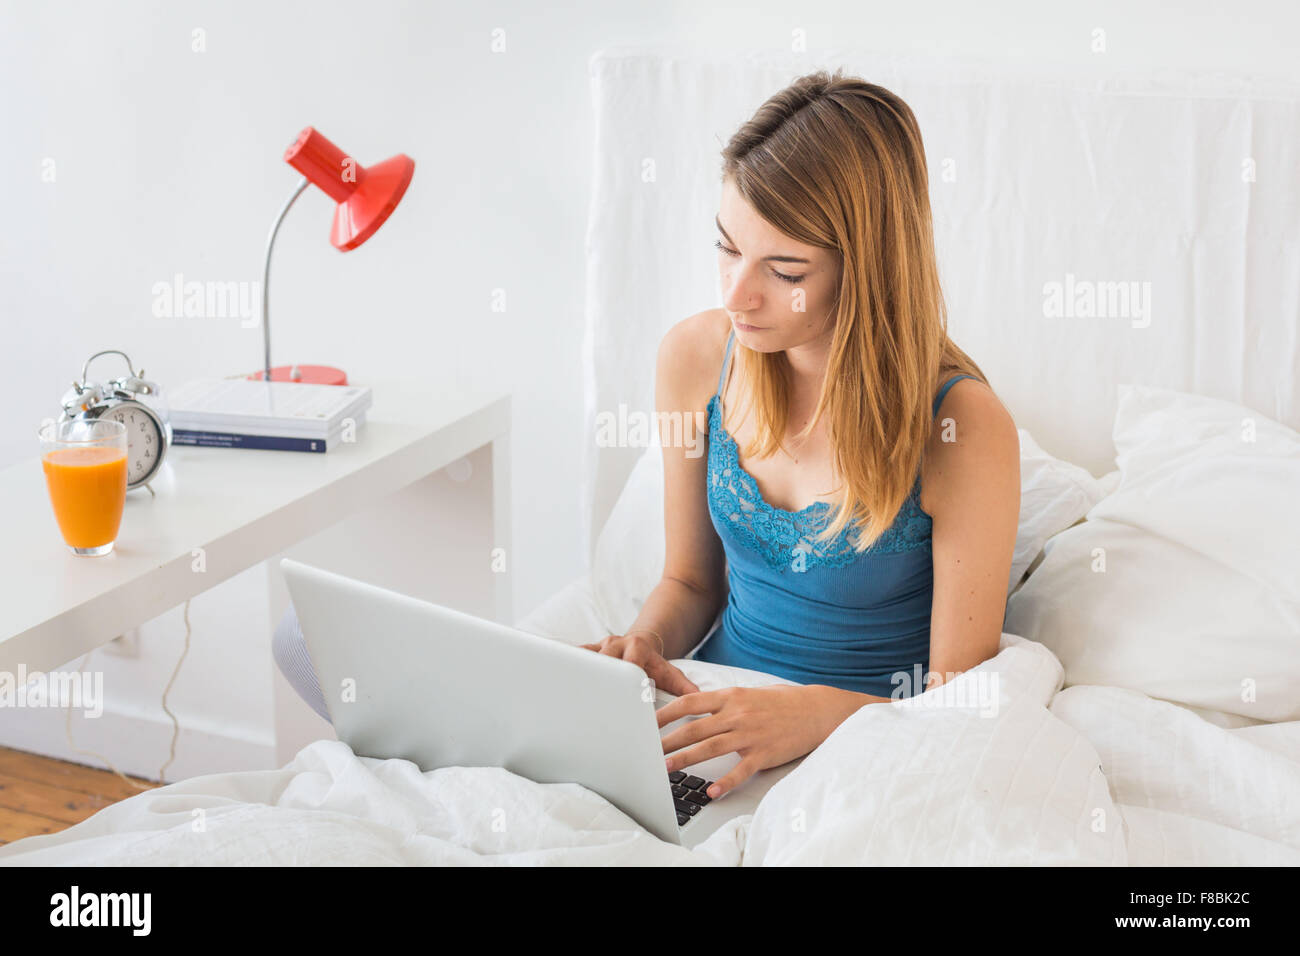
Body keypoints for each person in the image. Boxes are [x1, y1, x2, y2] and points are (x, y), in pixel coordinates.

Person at [580, 70, 1020, 800]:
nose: (735, 295)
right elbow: (690, 580)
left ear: (869, 271)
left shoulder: (962, 428)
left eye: (782, 269)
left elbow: (957, 709)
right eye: (727, 248)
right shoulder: (695, 359)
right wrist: (645, 646)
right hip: (714, 724)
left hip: (870, 752)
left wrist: (814, 717)